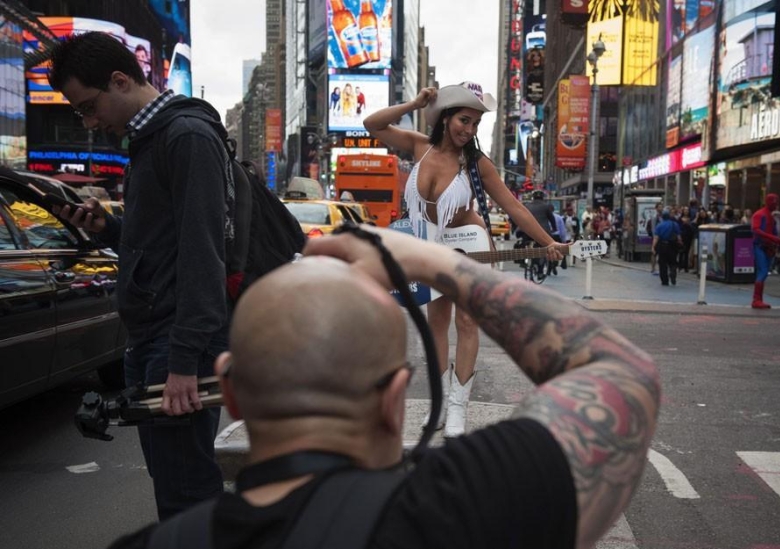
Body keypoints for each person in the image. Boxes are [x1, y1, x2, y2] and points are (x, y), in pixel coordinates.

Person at [106, 225, 661, 549]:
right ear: (397, 399)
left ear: (230, 393)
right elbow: (623, 373)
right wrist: (427, 259)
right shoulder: (470, 508)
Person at [47, 32, 230, 519]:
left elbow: (202, 250)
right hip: (153, 336)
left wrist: (185, 360)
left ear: (121, 80)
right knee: (175, 483)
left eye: (88, 107)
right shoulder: (151, 139)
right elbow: (165, 243)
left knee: (187, 491)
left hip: (175, 341)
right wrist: (110, 228)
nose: (89, 123)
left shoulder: (185, 136)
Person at [363, 83, 566, 437]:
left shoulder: (475, 163)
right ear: (445, 117)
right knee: (435, 325)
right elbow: (373, 124)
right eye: (463, 120)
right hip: (430, 246)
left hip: (469, 244)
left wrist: (550, 242)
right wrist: (414, 103)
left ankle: (458, 409)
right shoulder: (419, 146)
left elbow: (514, 207)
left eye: (475, 124)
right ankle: (441, 404)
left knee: (467, 325)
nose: (468, 130)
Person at [522, 191, 567, 276]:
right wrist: (554, 229)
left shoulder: (527, 206)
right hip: (542, 232)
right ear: (542, 197)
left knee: (525, 244)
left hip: (528, 232)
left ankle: (524, 260)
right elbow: (552, 219)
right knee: (543, 251)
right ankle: (540, 271)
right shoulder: (546, 206)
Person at [750, 193, 780, 309]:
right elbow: (756, 230)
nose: (775, 204)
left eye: (776, 202)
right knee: (763, 271)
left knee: (763, 271)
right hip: (760, 246)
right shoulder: (760, 215)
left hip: (767, 247)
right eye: (773, 202)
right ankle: (756, 299)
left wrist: (776, 241)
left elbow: (772, 230)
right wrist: (774, 238)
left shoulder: (769, 215)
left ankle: (758, 299)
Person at [651, 208, 682, 286]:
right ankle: (673, 273)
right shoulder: (675, 224)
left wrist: (653, 247)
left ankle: (664, 280)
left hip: (662, 246)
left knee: (662, 263)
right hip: (672, 245)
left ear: (662, 217)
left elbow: (656, 237)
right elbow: (678, 237)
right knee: (673, 261)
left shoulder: (659, 225)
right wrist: (680, 243)